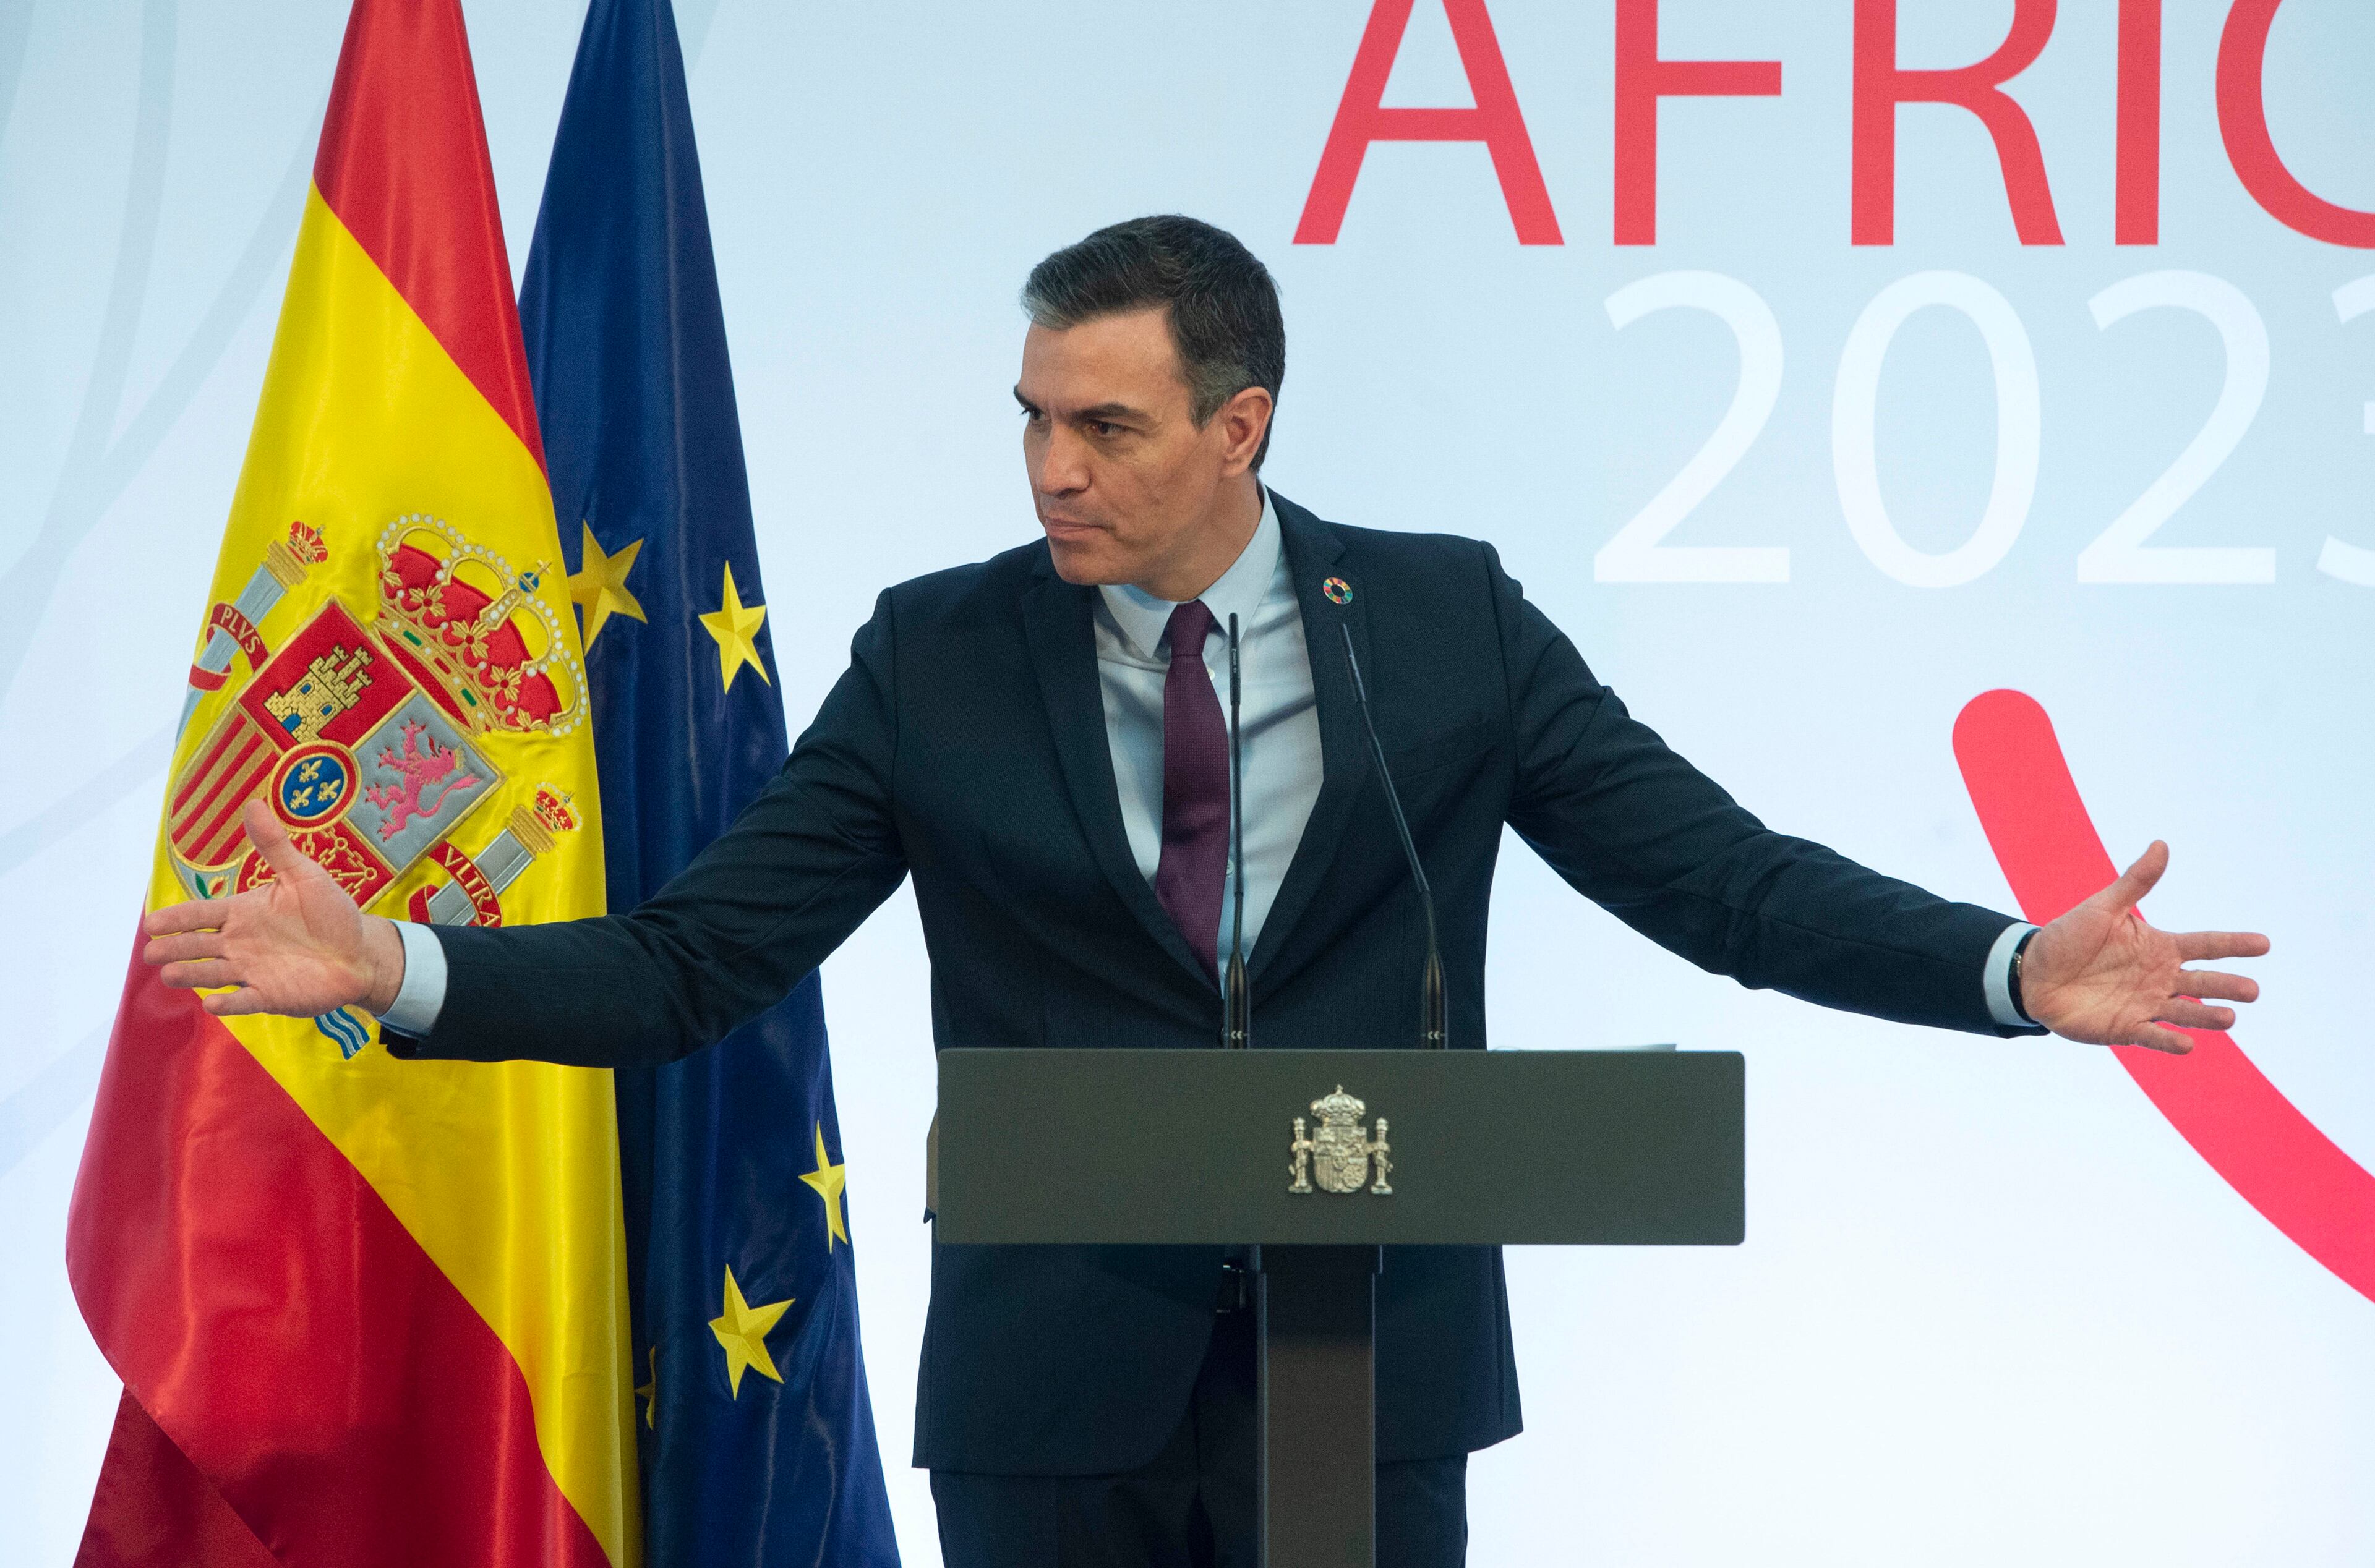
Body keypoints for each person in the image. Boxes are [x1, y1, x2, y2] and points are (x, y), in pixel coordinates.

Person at [141, 215, 2269, 1568]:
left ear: (1241, 426)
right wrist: (402, 964)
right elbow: (702, 959)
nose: (1051, 471)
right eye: (1032, 422)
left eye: (1107, 426)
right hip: (1057, 1375)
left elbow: (1717, 879)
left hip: (1356, 1359)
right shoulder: (938, 655)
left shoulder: (1439, 625)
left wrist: (2008, 967)